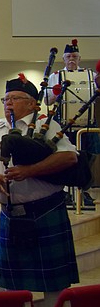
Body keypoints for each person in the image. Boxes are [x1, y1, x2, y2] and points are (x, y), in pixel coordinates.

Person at [0, 76, 79, 307]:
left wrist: (29, 171)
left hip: (45, 212)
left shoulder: (47, 125)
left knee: (54, 284)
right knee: (12, 288)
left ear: (32, 103)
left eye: (15, 98)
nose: (8, 103)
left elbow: (69, 156)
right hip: (10, 215)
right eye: (6, 98)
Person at [45, 39, 98, 206]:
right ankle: (65, 191)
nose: (71, 59)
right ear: (63, 58)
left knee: (86, 159)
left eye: (74, 56)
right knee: (63, 157)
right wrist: (55, 93)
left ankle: (84, 191)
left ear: (80, 58)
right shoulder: (55, 76)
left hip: (86, 125)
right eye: (68, 56)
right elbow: (47, 101)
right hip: (62, 125)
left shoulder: (92, 76)